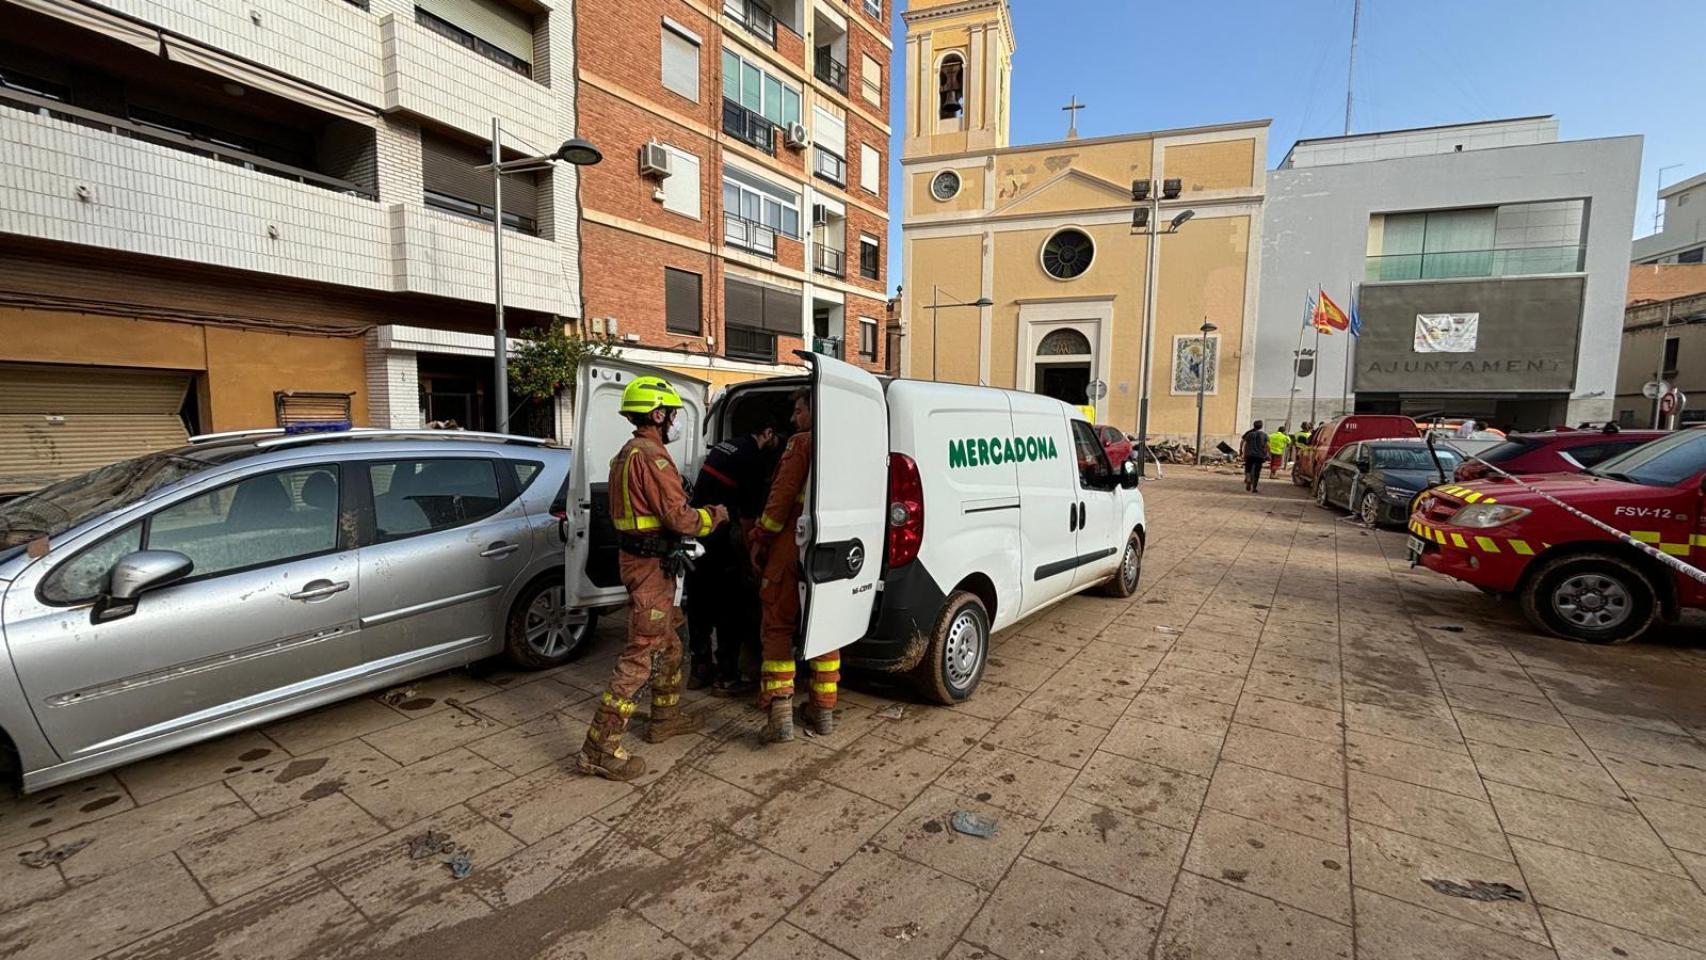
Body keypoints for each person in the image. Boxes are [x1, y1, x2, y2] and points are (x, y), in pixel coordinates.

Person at [578, 376, 729, 782]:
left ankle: (665, 717)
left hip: (644, 564)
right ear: (658, 415)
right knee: (640, 656)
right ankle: (599, 748)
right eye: (674, 414)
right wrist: (714, 515)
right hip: (649, 571)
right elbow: (680, 518)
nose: (677, 421)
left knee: (672, 644)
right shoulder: (653, 459)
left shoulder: (625, 455)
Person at [750, 388, 839, 742]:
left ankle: (781, 713)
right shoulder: (852, 444)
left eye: (799, 410)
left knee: (778, 625)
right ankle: (823, 709)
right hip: (836, 547)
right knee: (828, 627)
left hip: (793, 545)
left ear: (814, 410)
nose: (793, 418)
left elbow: (781, 499)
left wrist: (760, 536)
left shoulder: (801, 443)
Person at [685, 420, 783, 696]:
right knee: (729, 607)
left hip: (698, 533)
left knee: (699, 604)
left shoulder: (724, 446)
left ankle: (699, 668)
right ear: (767, 431)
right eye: (775, 441)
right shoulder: (753, 458)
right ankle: (726, 677)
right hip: (721, 537)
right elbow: (749, 518)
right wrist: (753, 553)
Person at [1240, 419, 1268, 493]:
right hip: (1259, 455)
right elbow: (1267, 445)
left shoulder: (1249, 434)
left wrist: (1242, 451)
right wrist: (1268, 454)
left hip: (1249, 455)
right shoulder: (1264, 435)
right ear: (1261, 426)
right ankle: (1254, 488)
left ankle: (1248, 478)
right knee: (1257, 472)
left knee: (1248, 469)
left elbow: (1244, 443)